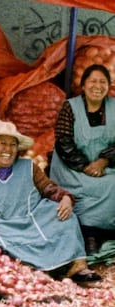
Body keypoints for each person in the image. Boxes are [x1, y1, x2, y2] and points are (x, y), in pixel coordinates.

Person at [0, 116, 101, 283]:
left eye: (12, 145)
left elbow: (49, 188)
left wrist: (65, 199)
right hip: (3, 224)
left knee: (66, 217)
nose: (8, 149)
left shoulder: (28, 166)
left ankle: (77, 266)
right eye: (2, 144)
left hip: (34, 219)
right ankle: (28, 269)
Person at [50, 64, 115, 255]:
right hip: (72, 167)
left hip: (106, 166)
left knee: (112, 183)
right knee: (88, 189)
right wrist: (85, 165)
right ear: (83, 85)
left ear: (109, 86)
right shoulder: (69, 107)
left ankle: (104, 232)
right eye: (93, 81)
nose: (97, 86)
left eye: (103, 82)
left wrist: (103, 161)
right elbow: (63, 142)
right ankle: (89, 234)